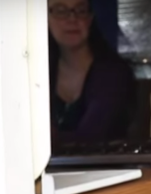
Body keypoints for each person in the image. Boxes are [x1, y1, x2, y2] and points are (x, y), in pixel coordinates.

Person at [48, 0, 136, 147]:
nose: (72, 19)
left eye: (81, 10)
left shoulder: (113, 73)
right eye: (60, 10)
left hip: (111, 168)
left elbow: (90, 139)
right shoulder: (36, 72)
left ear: (90, 18)